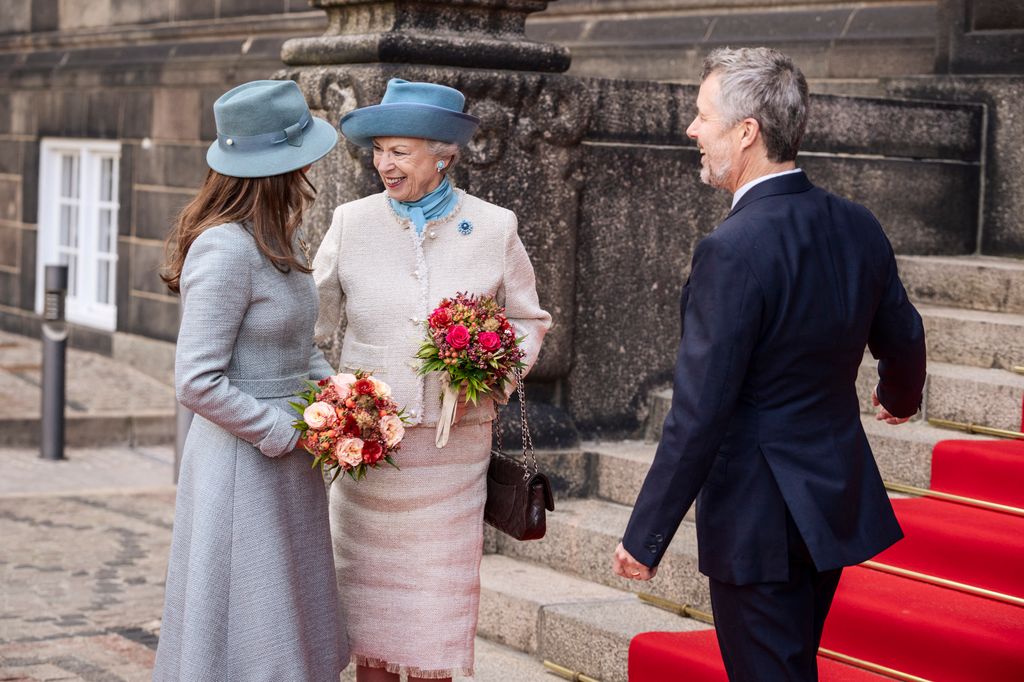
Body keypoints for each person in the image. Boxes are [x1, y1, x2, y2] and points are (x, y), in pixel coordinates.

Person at [612, 48, 927, 681]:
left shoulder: (730, 249)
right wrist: (900, 394)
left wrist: (645, 535)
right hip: (830, 495)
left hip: (757, 515)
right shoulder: (857, 224)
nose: (692, 131)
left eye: (703, 116)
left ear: (747, 131)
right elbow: (905, 333)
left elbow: (700, 411)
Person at [313, 78, 551, 681]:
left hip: (452, 461)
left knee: (433, 625)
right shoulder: (351, 222)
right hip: (370, 461)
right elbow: (310, 327)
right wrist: (336, 401)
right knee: (368, 630)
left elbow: (528, 319)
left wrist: (489, 373)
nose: (383, 164)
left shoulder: (495, 226)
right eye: (378, 151)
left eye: (400, 151)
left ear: (443, 153)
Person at [153, 80, 347, 681]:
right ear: (275, 169)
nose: (310, 169)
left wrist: (339, 398)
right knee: (251, 635)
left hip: (291, 464)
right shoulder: (224, 249)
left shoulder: (274, 240)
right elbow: (197, 380)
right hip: (244, 469)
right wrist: (283, 432)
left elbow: (298, 345)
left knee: (290, 622)